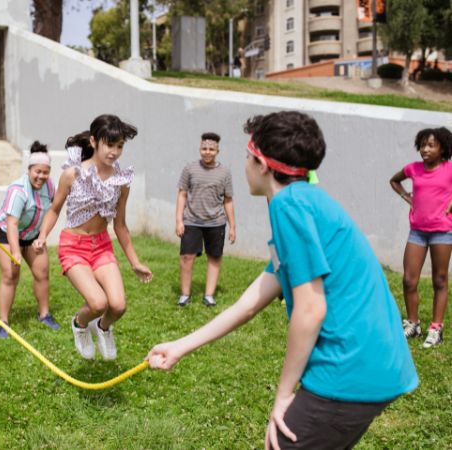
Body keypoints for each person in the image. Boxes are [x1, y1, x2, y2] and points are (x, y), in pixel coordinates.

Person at [147, 111, 418, 450]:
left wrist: (283, 395)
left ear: (261, 164)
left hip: (349, 367)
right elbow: (252, 301)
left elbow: (310, 309)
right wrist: (181, 346)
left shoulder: (288, 205)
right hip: (378, 363)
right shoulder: (306, 201)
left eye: (247, 156)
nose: (244, 164)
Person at [33, 114, 153, 361]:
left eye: (120, 146)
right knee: (98, 303)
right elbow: (54, 209)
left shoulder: (122, 181)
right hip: (73, 247)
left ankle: (103, 328)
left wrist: (135, 262)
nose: (115, 152)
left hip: (101, 247)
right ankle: (79, 324)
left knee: (118, 306)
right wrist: (42, 235)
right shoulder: (73, 174)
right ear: (94, 141)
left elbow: (120, 225)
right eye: (110, 145)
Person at [389, 127, 452, 348]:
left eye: (431, 145)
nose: (425, 149)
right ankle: (413, 323)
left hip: (442, 232)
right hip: (417, 231)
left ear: (442, 148)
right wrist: (407, 196)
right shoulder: (413, 169)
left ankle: (436, 328)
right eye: (423, 145)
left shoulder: (449, 169)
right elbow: (394, 181)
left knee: (440, 280)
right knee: (409, 280)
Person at [0, 141, 60, 338]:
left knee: (42, 271)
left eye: (45, 172)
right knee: (10, 275)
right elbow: (12, 224)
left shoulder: (49, 187)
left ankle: (44, 315)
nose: (41, 176)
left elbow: (52, 211)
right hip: (6, 232)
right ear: (29, 169)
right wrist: (15, 252)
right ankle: (3, 322)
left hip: (32, 233)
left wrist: (43, 236)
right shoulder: (18, 191)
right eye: (37, 171)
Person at [176, 132, 236, 307]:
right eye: (204, 148)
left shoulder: (225, 172)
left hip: (216, 222)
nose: (207, 152)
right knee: (186, 257)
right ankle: (184, 294)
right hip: (191, 221)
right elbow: (182, 194)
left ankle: (209, 295)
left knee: (214, 257)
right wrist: (179, 220)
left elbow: (228, 200)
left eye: (211, 149)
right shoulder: (190, 169)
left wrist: (232, 226)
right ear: (199, 149)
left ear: (217, 150)